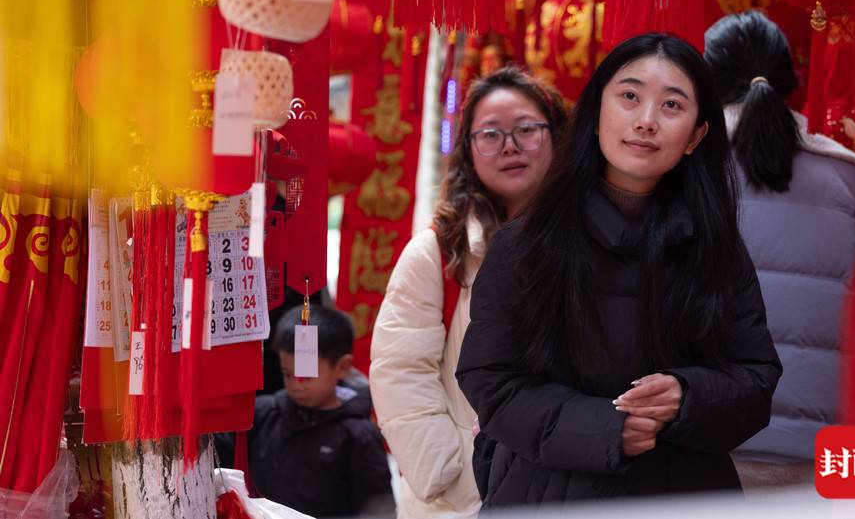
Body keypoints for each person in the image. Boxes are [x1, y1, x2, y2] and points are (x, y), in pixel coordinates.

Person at [455, 34, 781, 507]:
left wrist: (688, 396)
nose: (646, 121)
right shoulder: (529, 242)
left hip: (686, 495)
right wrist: (604, 429)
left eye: (672, 105)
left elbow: (756, 381)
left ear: (695, 136)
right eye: (630, 96)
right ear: (596, 114)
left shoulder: (716, 249)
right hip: (548, 494)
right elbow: (490, 380)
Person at [370, 67, 569, 518]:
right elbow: (399, 370)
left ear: (557, 137)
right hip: (462, 500)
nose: (510, 146)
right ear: (469, 151)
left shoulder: (591, 243)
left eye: (526, 130)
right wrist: (451, 473)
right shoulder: (439, 251)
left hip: (567, 483)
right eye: (490, 134)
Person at [703, 11, 855, 490]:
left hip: (709, 442)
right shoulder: (849, 181)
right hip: (830, 449)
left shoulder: (688, 172)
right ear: (789, 80)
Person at [243, 304, 394, 518]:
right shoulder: (263, 414)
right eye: (288, 374)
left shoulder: (359, 435)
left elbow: (378, 509)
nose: (296, 384)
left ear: (342, 367)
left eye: (306, 375)